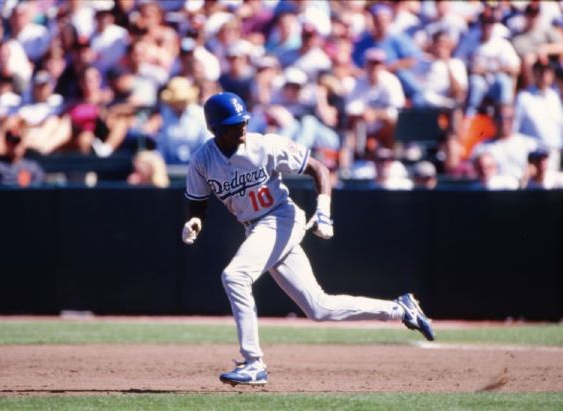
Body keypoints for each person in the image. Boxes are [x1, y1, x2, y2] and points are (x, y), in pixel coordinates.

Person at [181, 92, 435, 386]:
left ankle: (253, 363)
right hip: (255, 226)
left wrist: (324, 211)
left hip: (280, 217)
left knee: (235, 276)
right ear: (214, 128)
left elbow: (319, 168)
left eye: (243, 121)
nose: (242, 127)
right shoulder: (202, 159)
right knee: (318, 307)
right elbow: (197, 200)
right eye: (233, 124)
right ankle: (400, 308)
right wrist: (195, 220)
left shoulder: (265, 145)